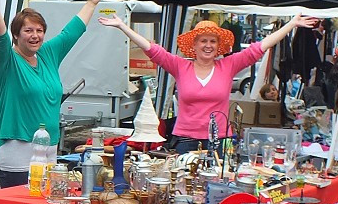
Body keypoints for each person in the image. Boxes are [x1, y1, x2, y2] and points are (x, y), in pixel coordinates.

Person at [99, 14, 317, 154]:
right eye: (203, 41)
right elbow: (152, 50)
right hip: (185, 140)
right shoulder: (180, 66)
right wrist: (122, 26)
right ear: (194, 45)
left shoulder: (228, 65)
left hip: (219, 142)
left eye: (213, 41)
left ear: (218, 45)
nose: (208, 45)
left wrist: (291, 24)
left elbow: (259, 48)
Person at [0, 0, 110, 188]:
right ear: (16, 34)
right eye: (28, 30)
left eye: (40, 30)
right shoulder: (7, 61)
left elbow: (71, 33)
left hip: (49, 151)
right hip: (17, 153)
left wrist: (91, 3)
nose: (35, 35)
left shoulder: (47, 54)